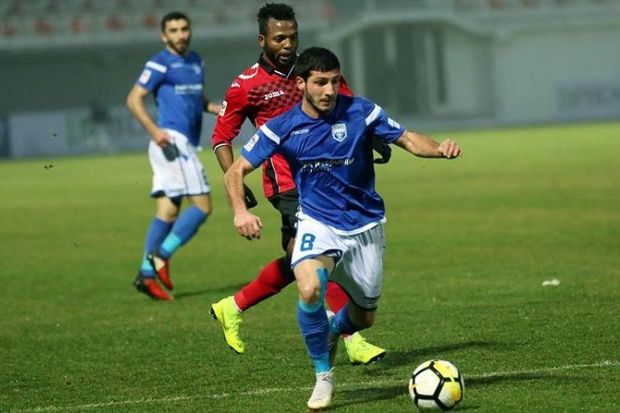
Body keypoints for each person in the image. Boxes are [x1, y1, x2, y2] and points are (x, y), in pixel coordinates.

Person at [224, 46, 462, 410]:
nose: (330, 90)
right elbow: (235, 170)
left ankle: (335, 330)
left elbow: (408, 138)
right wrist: (240, 211)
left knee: (364, 316)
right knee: (309, 288)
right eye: (321, 82)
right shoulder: (282, 127)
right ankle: (324, 375)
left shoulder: (361, 111)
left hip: (366, 226)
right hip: (317, 222)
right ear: (301, 84)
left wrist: (439, 148)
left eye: (335, 81)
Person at [209, 3, 389, 363]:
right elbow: (221, 138)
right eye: (279, 38)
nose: (288, 44)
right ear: (262, 40)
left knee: (299, 258)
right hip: (287, 183)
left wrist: (374, 138)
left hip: (332, 178)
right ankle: (351, 339)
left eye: (292, 37)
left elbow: (350, 111)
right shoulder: (246, 86)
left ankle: (233, 306)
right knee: (325, 256)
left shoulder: (316, 71)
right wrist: (236, 185)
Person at [126, 11, 221, 301]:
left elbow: (196, 97)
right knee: (203, 206)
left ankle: (146, 275)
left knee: (167, 213)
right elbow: (133, 99)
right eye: (174, 30)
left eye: (183, 29)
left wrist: (213, 107)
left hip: (183, 143)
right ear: (163, 36)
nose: (180, 34)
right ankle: (161, 256)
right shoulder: (160, 62)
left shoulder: (196, 61)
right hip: (171, 142)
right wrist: (155, 131)